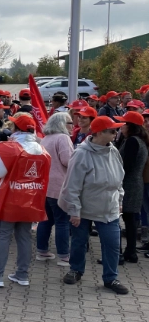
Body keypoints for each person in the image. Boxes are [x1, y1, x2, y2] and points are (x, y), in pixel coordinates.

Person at [59, 116, 129, 294]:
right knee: (79, 241)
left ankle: (111, 278)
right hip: (83, 208)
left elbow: (120, 178)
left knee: (112, 244)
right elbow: (72, 186)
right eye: (112, 130)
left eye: (116, 130)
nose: (116, 133)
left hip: (109, 208)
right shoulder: (81, 154)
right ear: (98, 133)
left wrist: (119, 199)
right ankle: (76, 270)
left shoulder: (113, 150)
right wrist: (74, 211)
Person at [0, 114, 51, 288]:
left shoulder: (11, 148)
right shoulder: (42, 150)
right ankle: (22, 274)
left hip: (10, 199)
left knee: (3, 236)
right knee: (24, 237)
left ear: (16, 130)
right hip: (31, 200)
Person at [37, 112, 74, 266]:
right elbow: (67, 160)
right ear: (62, 124)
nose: (72, 126)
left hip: (46, 185)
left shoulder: (46, 139)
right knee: (62, 221)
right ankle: (64, 255)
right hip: (60, 186)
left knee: (46, 220)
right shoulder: (63, 138)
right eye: (70, 122)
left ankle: (42, 250)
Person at [114, 111, 149, 262]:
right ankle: (130, 252)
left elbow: (126, 165)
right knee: (131, 219)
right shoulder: (139, 140)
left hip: (128, 183)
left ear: (131, 126)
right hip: (135, 182)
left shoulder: (132, 141)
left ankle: (123, 252)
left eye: (124, 123)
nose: (121, 127)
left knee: (126, 218)